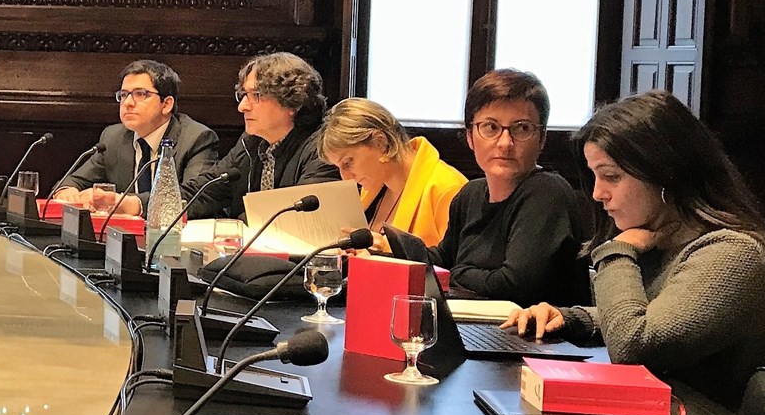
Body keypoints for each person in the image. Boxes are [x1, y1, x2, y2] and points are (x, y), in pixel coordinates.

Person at [505, 91, 765, 410]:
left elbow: (635, 345)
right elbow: (658, 317)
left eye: (611, 177)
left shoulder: (735, 254)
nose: (597, 193)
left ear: (663, 173)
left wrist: (618, 250)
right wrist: (569, 318)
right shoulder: (664, 239)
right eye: (594, 177)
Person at [383, 69, 587, 304]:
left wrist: (457, 272)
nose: (505, 143)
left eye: (522, 128)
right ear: (470, 136)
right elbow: (442, 258)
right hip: (483, 329)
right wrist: (383, 253)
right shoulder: (470, 194)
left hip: (541, 338)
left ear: (542, 139)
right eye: (490, 127)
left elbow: (515, 285)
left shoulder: (547, 192)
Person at [51, 60, 223, 215]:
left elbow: (196, 197)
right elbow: (73, 180)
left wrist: (134, 204)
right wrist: (68, 192)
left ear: (167, 104)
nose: (128, 103)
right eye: (124, 95)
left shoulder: (196, 138)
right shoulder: (113, 138)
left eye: (141, 94)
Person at [190, 51, 339, 219]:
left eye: (256, 96)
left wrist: (237, 225)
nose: (243, 107)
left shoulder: (323, 148)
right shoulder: (251, 142)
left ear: (293, 103)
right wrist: (159, 205)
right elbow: (204, 192)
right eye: (244, 95)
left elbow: (298, 216)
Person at [318, 97, 467, 246]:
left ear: (380, 143)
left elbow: (455, 265)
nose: (345, 177)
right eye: (339, 167)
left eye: (348, 162)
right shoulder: (372, 186)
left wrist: (383, 253)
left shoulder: (448, 189)